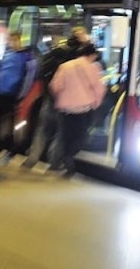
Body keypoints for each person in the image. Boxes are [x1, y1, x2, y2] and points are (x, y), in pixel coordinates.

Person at [23, 26, 91, 170]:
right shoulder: (79, 58)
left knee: (42, 130)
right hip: (65, 102)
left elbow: (43, 71)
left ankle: (32, 159)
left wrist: (48, 92)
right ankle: (54, 164)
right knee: (60, 134)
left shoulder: (58, 50)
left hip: (49, 98)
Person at [49, 43, 105, 178]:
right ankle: (68, 157)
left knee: (64, 136)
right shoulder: (94, 68)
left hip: (65, 110)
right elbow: (99, 89)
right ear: (92, 55)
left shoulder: (65, 66)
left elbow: (55, 86)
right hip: (83, 109)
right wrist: (95, 104)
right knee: (80, 137)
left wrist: (62, 98)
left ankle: (63, 162)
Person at [0, 31, 31, 166]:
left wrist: (20, 96)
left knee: (10, 125)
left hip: (12, 95)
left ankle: (10, 150)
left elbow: (27, 79)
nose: (12, 42)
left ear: (20, 41)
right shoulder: (5, 53)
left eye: (15, 40)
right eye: (11, 40)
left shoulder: (25, 57)